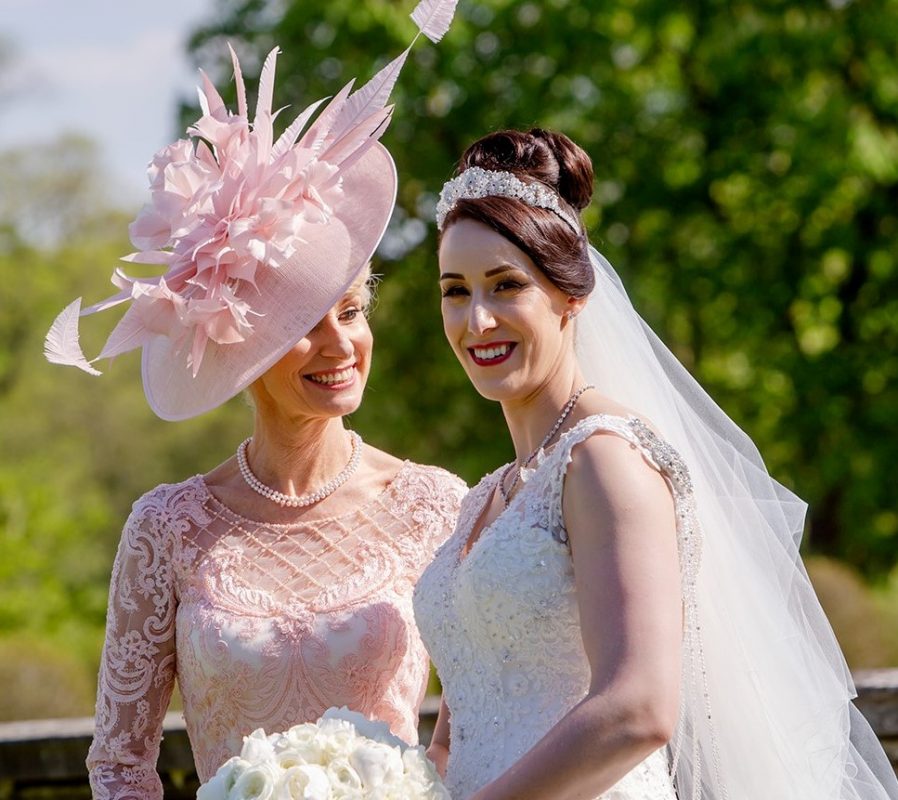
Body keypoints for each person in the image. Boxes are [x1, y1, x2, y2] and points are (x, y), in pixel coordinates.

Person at [44, 13, 464, 797]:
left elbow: (473, 735)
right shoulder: (167, 529)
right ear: (245, 348)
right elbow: (119, 764)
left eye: (352, 310)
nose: (341, 346)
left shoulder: (435, 505)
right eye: (306, 327)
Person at [413, 128, 898, 800]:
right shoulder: (486, 498)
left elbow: (638, 707)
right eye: (455, 291)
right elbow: (460, 724)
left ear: (570, 297)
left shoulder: (606, 461)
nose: (478, 321)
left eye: (505, 286)